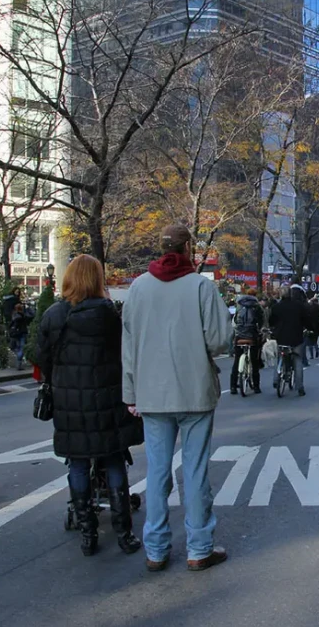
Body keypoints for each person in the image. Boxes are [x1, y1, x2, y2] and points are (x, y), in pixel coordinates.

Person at [122, 225, 232, 572]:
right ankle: (199, 548)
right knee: (196, 471)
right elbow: (219, 341)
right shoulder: (201, 286)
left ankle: (155, 549)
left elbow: (128, 346)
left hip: (152, 394)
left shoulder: (138, 288)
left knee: (156, 472)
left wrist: (130, 392)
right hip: (195, 390)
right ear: (188, 248)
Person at [37, 254, 143, 557]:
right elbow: (127, 354)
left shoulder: (54, 315)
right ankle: (124, 533)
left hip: (70, 401)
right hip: (108, 398)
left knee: (79, 463)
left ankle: (87, 531)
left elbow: (42, 356)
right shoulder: (109, 315)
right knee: (113, 461)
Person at [270, 285, 313, 394]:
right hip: (296, 338)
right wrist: (310, 328)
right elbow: (306, 320)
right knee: (297, 360)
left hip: (281, 337)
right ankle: (300, 387)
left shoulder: (276, 307)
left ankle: (276, 379)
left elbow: (271, 321)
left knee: (280, 356)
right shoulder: (298, 306)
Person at [230, 289, 264, 394]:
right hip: (251, 336)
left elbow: (235, 321)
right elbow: (261, 321)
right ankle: (257, 387)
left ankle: (233, 386)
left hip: (239, 336)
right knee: (254, 361)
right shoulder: (257, 306)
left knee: (236, 361)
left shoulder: (239, 306)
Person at [9, 303, 29, 370]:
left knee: (16, 347)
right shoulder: (23, 315)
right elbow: (31, 315)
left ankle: (18, 360)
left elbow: (10, 324)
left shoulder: (14, 315)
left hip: (15, 334)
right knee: (22, 347)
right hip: (22, 333)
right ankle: (19, 361)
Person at [304, 294, 319, 365]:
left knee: (309, 342)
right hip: (317, 326)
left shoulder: (309, 308)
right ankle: (317, 350)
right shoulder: (318, 308)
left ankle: (311, 355)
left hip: (310, 326)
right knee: (315, 341)